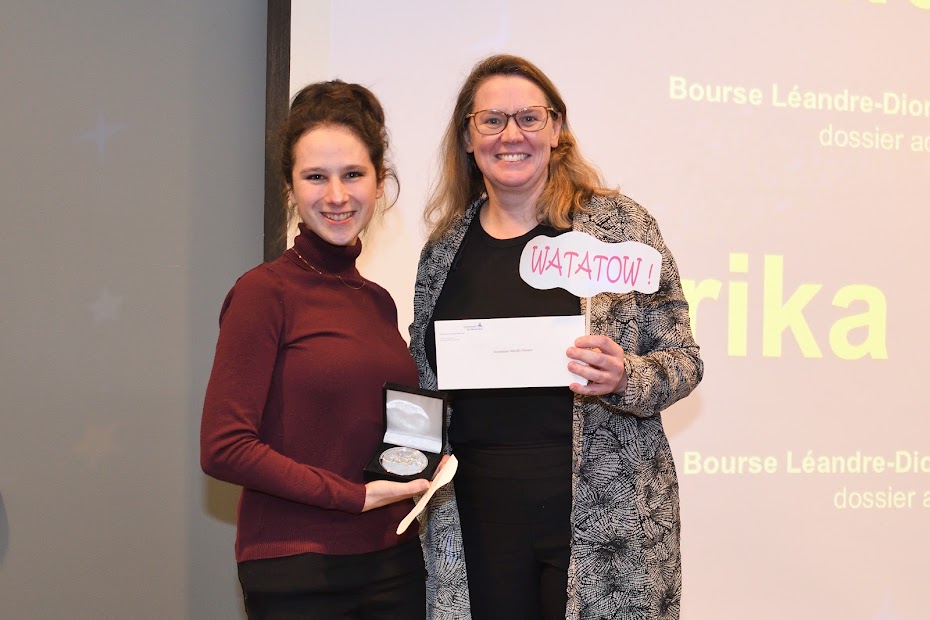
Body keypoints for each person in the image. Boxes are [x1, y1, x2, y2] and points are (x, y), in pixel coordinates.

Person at [409, 55, 704, 619]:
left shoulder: (618, 228)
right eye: (491, 120)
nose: (511, 135)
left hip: (605, 515)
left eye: (530, 117)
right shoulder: (443, 252)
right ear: (468, 139)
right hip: (475, 513)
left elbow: (685, 360)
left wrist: (627, 375)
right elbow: (427, 382)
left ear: (558, 129)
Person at [201, 80, 430, 619]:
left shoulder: (377, 302)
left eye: (353, 174)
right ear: (290, 187)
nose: (336, 195)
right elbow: (224, 446)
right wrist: (350, 496)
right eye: (315, 177)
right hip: (297, 570)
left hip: (393, 559)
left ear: (380, 183)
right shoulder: (263, 292)